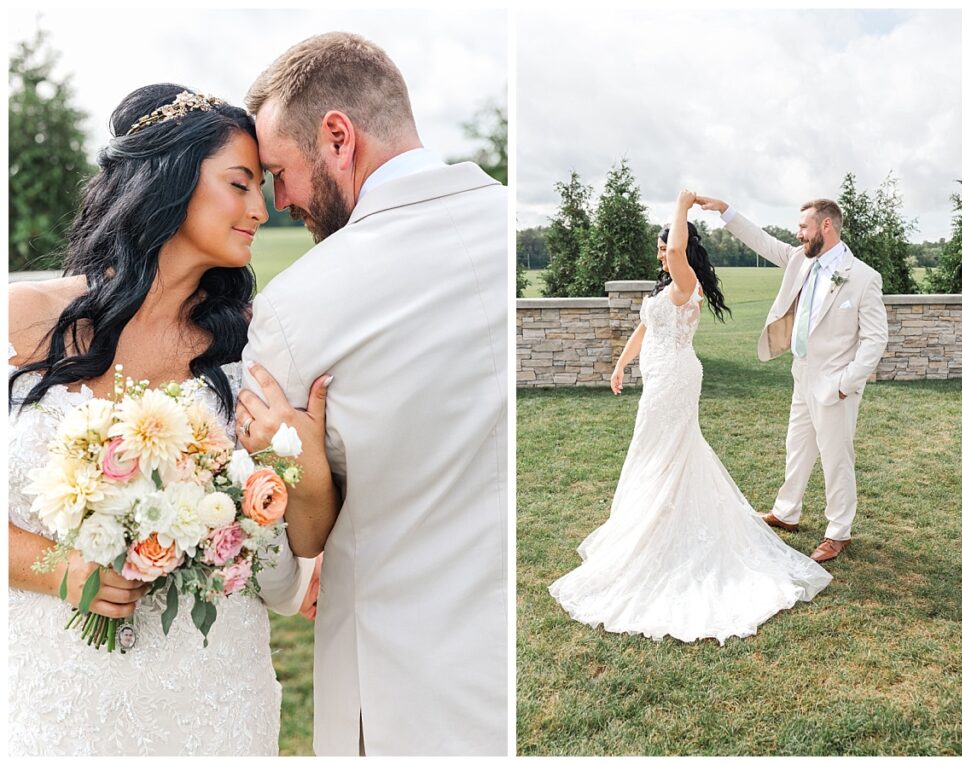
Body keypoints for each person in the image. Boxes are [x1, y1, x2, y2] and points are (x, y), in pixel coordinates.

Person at [8, 83, 322, 756]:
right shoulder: (25, 320)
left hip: (212, 701)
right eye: (239, 184)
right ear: (170, 180)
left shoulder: (251, 345)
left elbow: (287, 532)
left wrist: (302, 464)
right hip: (56, 707)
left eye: (263, 188)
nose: (260, 211)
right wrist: (64, 567)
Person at [237, 32, 507, 755]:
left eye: (280, 173)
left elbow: (272, 566)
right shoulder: (508, 219)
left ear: (336, 137)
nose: (280, 201)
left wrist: (296, 478)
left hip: (398, 702)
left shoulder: (297, 307)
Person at [549, 189, 832, 645]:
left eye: (665, 249)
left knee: (669, 451)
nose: (662, 255)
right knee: (657, 452)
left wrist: (682, 205)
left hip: (676, 380)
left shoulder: (687, 284)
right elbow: (644, 327)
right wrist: (622, 364)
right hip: (658, 377)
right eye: (660, 251)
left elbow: (679, 250)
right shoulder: (665, 286)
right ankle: (652, 521)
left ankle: (665, 534)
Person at [695, 195, 889, 562]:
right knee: (797, 447)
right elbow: (763, 241)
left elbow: (876, 338)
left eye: (804, 226)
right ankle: (786, 513)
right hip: (801, 374)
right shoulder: (800, 259)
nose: (798, 233)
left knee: (836, 458)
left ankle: (838, 532)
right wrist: (725, 211)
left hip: (836, 386)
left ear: (826, 226)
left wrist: (846, 383)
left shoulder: (862, 277)